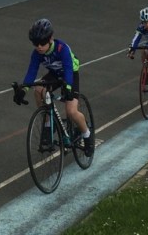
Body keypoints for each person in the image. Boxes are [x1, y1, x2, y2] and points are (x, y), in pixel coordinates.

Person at [13, 18, 93, 155]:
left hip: (70, 74)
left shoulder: (62, 48)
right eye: (35, 43)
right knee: (38, 89)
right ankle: (48, 123)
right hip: (55, 74)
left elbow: (68, 69)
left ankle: (87, 135)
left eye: (42, 43)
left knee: (71, 111)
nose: (39, 46)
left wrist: (68, 88)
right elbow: (32, 71)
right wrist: (23, 89)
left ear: (50, 39)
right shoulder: (37, 53)